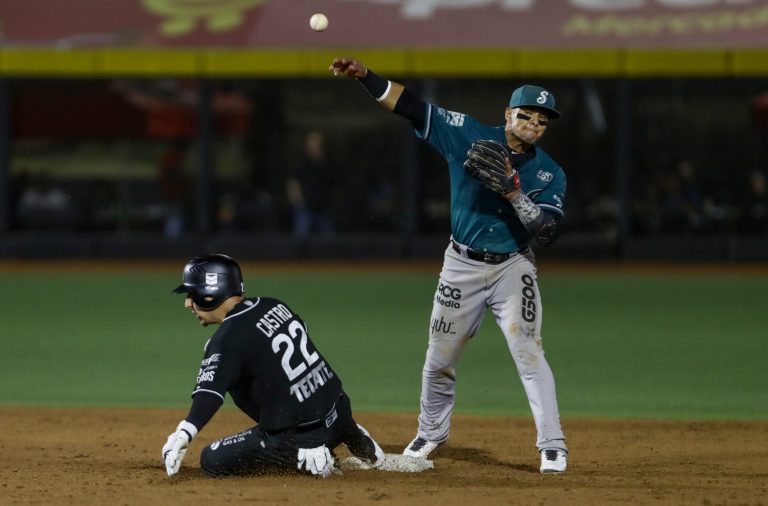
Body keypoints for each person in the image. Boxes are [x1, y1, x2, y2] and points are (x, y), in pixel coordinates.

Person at [329, 57, 568, 473]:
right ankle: (431, 431)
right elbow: (411, 106)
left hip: (514, 267)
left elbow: (548, 232)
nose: (534, 123)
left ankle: (552, 444)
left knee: (529, 352)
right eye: (527, 114)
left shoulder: (549, 172)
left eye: (543, 119)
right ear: (508, 114)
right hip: (461, 265)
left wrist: (514, 194)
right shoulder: (467, 134)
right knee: (439, 358)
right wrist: (365, 77)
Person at [161, 253, 383, 478]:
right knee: (269, 371)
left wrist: (183, 433)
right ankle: (356, 438)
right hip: (340, 411)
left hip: (301, 435)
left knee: (211, 459)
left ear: (210, 294)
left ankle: (302, 457)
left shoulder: (226, 339)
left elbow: (210, 393)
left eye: (192, 293)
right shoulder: (272, 304)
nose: (187, 302)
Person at [285, 129, 336, 239]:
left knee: (328, 243)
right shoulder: (300, 161)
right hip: (305, 207)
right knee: (301, 241)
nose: (316, 144)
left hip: (324, 208)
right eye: (313, 140)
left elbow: (333, 181)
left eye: (318, 141)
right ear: (307, 143)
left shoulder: (328, 161)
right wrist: (297, 200)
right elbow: (292, 181)